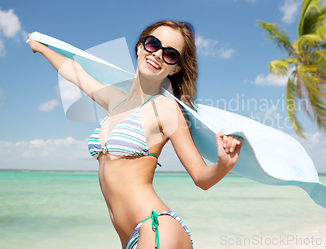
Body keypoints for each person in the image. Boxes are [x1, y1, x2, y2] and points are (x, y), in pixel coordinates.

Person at [28, 20, 243, 249]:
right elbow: (74, 71)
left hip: (156, 228)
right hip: (129, 238)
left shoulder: (167, 109)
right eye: (153, 44)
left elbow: (201, 177)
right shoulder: (115, 100)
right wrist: (41, 48)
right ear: (140, 47)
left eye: (170, 54)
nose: (158, 54)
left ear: (175, 68)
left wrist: (224, 164)